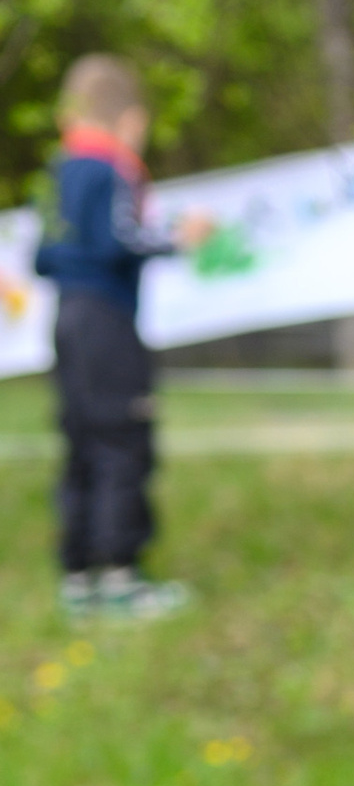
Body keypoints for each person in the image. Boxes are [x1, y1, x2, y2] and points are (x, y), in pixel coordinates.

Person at [35, 55, 205, 617]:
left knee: (82, 441)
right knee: (122, 441)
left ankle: (79, 575)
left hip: (66, 319)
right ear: (130, 119)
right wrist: (180, 239)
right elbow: (120, 240)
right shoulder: (111, 168)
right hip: (107, 320)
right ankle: (120, 577)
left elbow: (43, 255)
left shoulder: (58, 171)